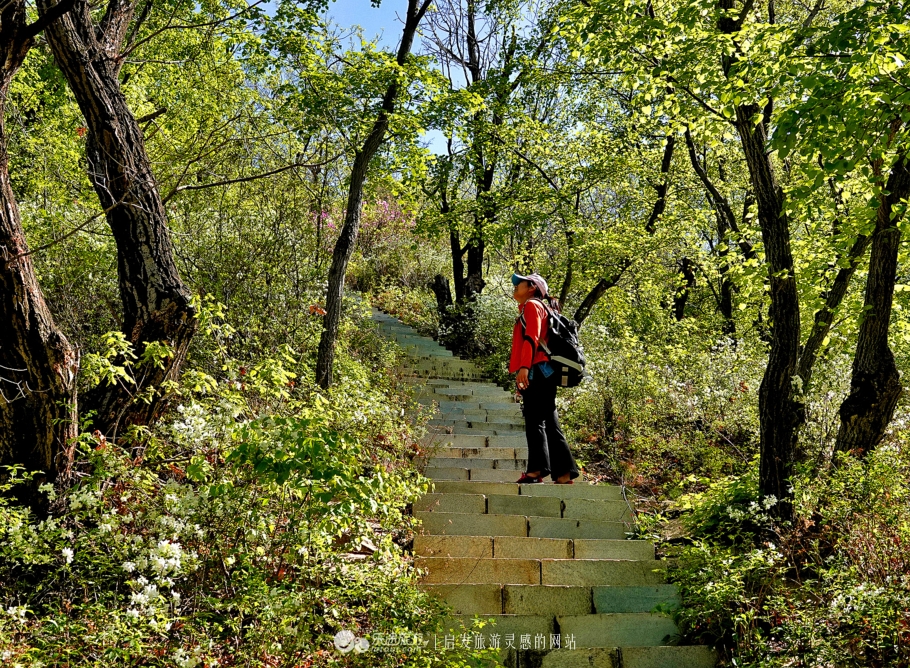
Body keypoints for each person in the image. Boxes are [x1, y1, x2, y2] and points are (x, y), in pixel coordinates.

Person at [509, 272, 580, 485]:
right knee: (544, 419)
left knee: (537, 420)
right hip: (542, 370)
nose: (515, 286)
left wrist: (523, 368)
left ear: (531, 287)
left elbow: (532, 336)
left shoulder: (533, 305)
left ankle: (540, 470)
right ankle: (558, 472)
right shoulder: (539, 306)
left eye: (518, 283)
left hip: (537, 369)